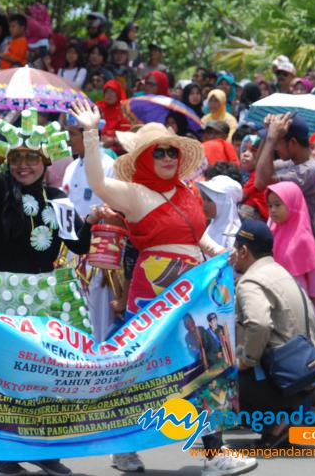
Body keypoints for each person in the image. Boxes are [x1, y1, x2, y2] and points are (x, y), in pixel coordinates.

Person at [69, 100, 255, 474]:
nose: (169, 157)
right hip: (154, 292)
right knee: (146, 369)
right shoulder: (135, 193)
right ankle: (122, 447)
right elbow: (98, 182)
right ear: (143, 159)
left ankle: (213, 452)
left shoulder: (187, 190)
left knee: (205, 363)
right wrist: (91, 134)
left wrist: (221, 253)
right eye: (160, 152)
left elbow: (197, 237)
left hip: (194, 289)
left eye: (173, 150)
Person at [0, 86, 100, 476]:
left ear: (45, 160)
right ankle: (4, 450)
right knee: (5, 375)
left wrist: (92, 220)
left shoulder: (58, 198)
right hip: (1, 295)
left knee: (45, 378)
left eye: (32, 158)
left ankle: (45, 449)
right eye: (17, 158)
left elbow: (79, 244)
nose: (24, 166)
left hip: (45, 299)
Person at [232, 219, 315, 447]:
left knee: (217, 375)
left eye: (235, 249)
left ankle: (278, 420)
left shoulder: (250, 281)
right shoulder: (281, 273)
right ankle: (283, 419)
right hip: (305, 378)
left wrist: (245, 361)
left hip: (285, 381)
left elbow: (259, 324)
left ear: (244, 251)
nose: (233, 254)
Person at [62, 118, 117, 340]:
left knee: (99, 313)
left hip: (99, 255)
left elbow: (113, 210)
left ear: (87, 136)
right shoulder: (71, 167)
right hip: (70, 254)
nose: (68, 139)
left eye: (73, 133)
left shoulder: (108, 166)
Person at [254, 113, 315, 231]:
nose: (274, 148)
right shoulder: (294, 162)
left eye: (277, 143)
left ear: (292, 142)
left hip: (299, 241)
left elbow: (262, 182)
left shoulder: (310, 170)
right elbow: (259, 171)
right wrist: (268, 134)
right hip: (287, 235)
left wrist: (271, 138)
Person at [266, 181, 315, 300]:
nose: (273, 210)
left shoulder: (303, 238)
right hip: (273, 295)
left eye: (277, 205)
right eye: (270, 206)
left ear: (292, 204)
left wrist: (312, 301)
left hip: (296, 299)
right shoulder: (271, 232)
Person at [197, 175, 242, 250]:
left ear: (224, 204)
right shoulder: (211, 227)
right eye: (203, 199)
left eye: (209, 200)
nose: (204, 204)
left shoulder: (233, 236)